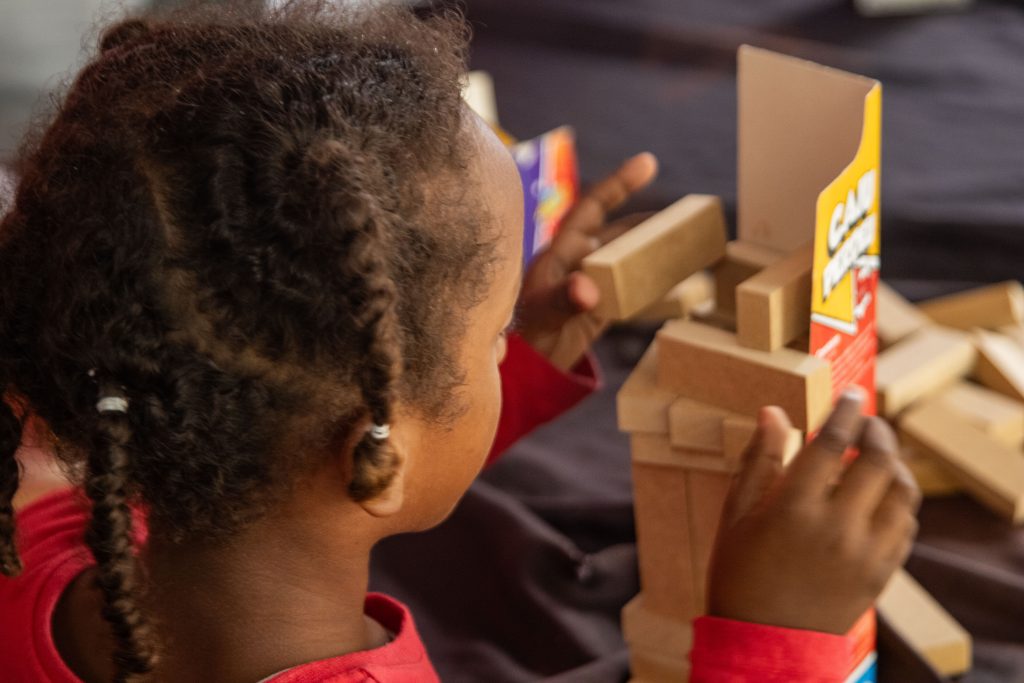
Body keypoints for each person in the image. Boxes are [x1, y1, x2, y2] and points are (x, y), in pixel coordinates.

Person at [0, 3, 920, 682]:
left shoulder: (42, 544)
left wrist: (508, 362)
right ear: (377, 442)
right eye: (493, 335)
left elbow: (313, 430)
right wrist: (774, 641)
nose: (506, 338)